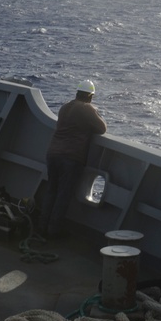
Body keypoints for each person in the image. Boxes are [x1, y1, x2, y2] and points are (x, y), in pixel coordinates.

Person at [39, 79, 107, 239]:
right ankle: (53, 231)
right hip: (71, 156)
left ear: (77, 93)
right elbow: (102, 128)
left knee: (51, 191)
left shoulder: (65, 107)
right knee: (63, 194)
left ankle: (41, 227)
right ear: (90, 96)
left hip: (53, 153)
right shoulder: (86, 108)